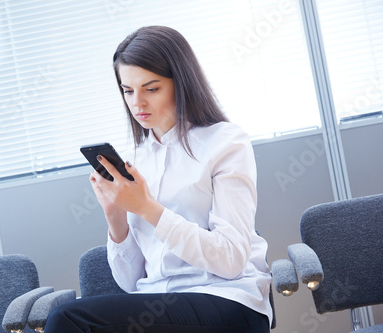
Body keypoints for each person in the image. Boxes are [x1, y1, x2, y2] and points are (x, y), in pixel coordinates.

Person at [45, 25, 272, 332]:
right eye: (128, 90)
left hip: (227, 299)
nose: (137, 103)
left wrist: (147, 208)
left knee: (66, 319)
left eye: (151, 89)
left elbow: (231, 260)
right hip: (159, 303)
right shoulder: (136, 160)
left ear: (182, 84)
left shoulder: (226, 143)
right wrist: (116, 216)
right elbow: (130, 283)